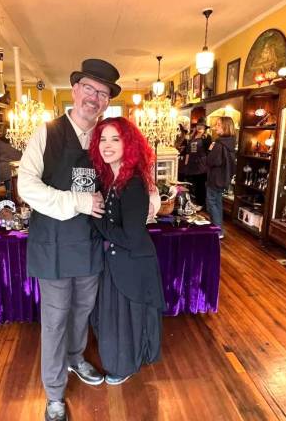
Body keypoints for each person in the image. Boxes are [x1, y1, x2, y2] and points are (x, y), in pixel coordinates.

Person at [17, 59, 121, 421]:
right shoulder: (47, 133)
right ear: (75, 90)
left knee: (82, 312)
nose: (94, 97)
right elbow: (26, 185)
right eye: (89, 89)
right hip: (55, 246)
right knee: (55, 318)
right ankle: (55, 393)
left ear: (107, 101)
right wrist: (75, 201)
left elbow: (121, 178)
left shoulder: (105, 139)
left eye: (102, 93)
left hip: (90, 243)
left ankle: (76, 359)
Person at [89, 116, 165, 385]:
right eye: (103, 139)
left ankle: (125, 366)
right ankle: (121, 362)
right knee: (112, 318)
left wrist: (94, 217)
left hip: (132, 262)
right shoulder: (112, 177)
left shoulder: (132, 182)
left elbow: (131, 237)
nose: (107, 145)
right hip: (117, 261)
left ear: (128, 144)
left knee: (125, 319)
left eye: (115, 139)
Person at [206, 116, 236, 239]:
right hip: (224, 178)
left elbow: (212, 161)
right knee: (217, 203)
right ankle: (219, 230)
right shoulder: (231, 142)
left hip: (215, 178)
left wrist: (209, 152)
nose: (215, 127)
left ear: (226, 127)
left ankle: (216, 231)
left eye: (219, 124)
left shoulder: (219, 144)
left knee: (212, 203)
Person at [184, 117, 212, 209]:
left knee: (200, 184)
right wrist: (186, 163)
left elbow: (209, 151)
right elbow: (188, 150)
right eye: (198, 125)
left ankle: (201, 204)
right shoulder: (192, 137)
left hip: (201, 164)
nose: (200, 127)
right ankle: (195, 202)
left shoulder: (207, 137)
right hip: (192, 163)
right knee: (194, 184)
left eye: (202, 126)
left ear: (205, 128)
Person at [0, 133, 22, 199]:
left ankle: (11, 205)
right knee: (21, 191)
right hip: (19, 168)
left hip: (5, 169)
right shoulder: (20, 139)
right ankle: (20, 205)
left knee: (9, 191)